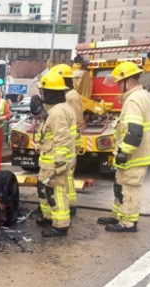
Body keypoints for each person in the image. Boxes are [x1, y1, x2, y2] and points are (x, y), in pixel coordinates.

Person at [97, 61, 150, 232]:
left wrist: (123, 152)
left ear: (128, 82)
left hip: (133, 156)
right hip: (137, 154)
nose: (116, 86)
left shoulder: (134, 100)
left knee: (130, 188)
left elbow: (134, 132)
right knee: (121, 185)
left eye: (118, 83)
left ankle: (128, 223)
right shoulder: (145, 96)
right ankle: (119, 215)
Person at [34, 72, 77, 237]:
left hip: (54, 161)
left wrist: (59, 162)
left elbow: (61, 139)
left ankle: (60, 225)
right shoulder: (60, 108)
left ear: (51, 92)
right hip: (48, 160)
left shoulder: (58, 112)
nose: (41, 95)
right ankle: (48, 217)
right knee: (44, 188)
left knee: (56, 191)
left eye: (43, 92)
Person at [50, 63, 84, 215]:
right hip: (69, 140)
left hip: (70, 141)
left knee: (67, 175)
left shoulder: (71, 96)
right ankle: (70, 203)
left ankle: (70, 205)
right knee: (67, 176)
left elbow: (75, 121)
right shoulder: (67, 95)